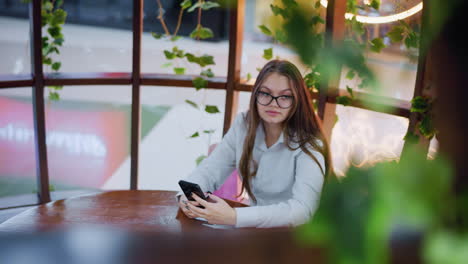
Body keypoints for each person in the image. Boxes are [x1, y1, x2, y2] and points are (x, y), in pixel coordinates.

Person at [177, 59, 332, 228]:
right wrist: (187, 197)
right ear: (255, 95)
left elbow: (302, 210)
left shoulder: (310, 142)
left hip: (298, 237)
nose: (274, 103)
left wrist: (235, 216)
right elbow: (211, 169)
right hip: (255, 230)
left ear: (297, 100)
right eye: (265, 93)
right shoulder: (244, 125)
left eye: (285, 96)